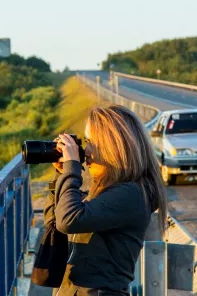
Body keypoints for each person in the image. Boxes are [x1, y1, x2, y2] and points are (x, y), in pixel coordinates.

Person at [44, 105, 167, 296]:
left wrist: (72, 170)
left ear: (113, 147)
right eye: (85, 142)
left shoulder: (130, 194)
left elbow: (68, 220)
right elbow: (54, 221)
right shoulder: (105, 190)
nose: (86, 151)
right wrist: (61, 175)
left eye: (92, 142)